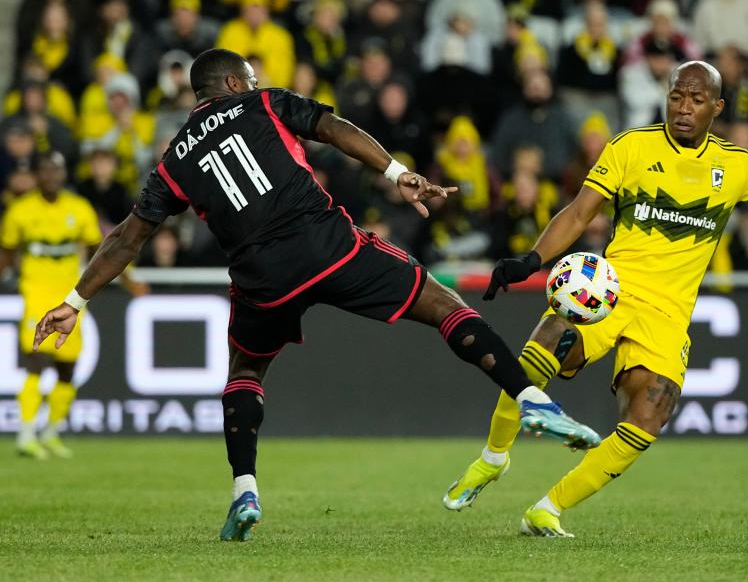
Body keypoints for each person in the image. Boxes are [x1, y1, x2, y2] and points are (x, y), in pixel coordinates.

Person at [32, 48, 601, 542]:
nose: (253, 84)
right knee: (443, 305)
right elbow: (332, 128)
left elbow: (127, 237)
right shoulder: (263, 103)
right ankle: (532, 400)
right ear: (232, 84)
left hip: (261, 278)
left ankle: (245, 491)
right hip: (328, 246)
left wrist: (75, 302)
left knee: (245, 372)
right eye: (248, 78)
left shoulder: (174, 158)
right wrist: (396, 170)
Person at [441, 61, 748, 537]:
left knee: (649, 415)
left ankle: (547, 509)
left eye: (696, 99)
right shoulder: (631, 147)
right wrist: (532, 259)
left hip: (668, 313)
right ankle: (493, 458)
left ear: (717, 107)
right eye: (676, 95)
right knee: (544, 348)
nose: (683, 107)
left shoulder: (737, 167)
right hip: (611, 289)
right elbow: (578, 212)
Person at [0, 152, 131, 459]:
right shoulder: (20, 210)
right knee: (36, 362)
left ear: (63, 175)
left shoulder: (79, 208)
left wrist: (128, 279)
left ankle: (51, 432)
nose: (51, 176)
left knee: (67, 368)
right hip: (36, 292)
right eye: (45, 170)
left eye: (56, 170)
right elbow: (6, 253)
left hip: (69, 297)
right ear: (37, 175)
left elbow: (100, 251)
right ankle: (26, 433)